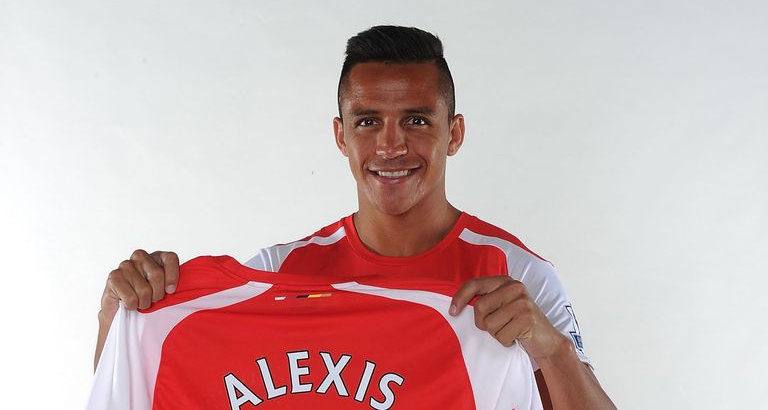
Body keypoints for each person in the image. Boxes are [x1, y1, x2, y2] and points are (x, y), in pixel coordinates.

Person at [95, 25, 616, 409]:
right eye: (368, 122)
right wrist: (118, 318)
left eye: (416, 120)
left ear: (453, 133)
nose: (390, 145)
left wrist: (554, 353)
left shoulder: (518, 275)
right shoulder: (279, 271)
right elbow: (140, 389)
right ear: (341, 135)